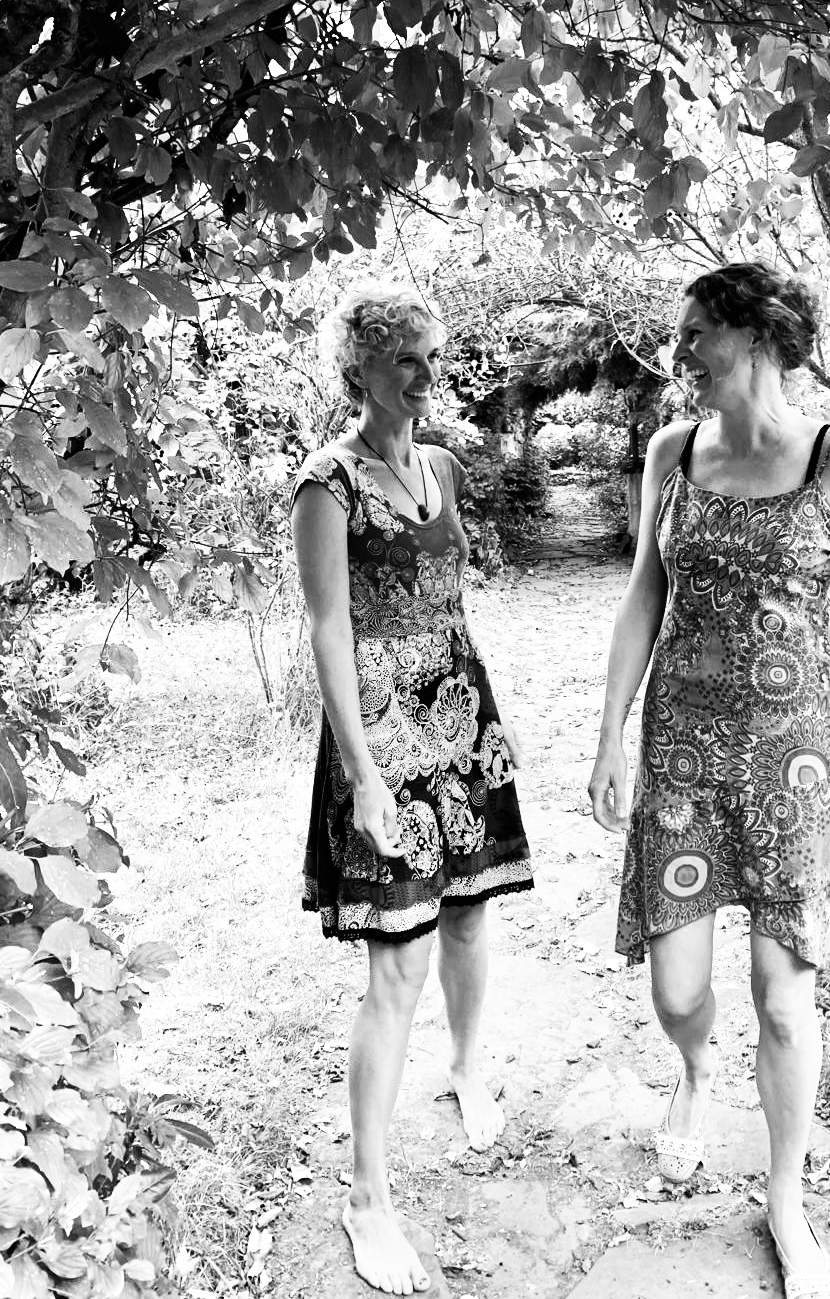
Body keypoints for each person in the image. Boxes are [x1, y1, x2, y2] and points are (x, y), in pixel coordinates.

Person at [589, 262, 830, 1299]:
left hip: (796, 762)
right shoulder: (671, 451)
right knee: (677, 988)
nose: (682, 351)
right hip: (683, 752)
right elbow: (644, 595)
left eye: (699, 333)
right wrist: (610, 734)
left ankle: (785, 1200)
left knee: (785, 1002)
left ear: (759, 337)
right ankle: (696, 1070)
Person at [291, 281, 533, 1297]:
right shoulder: (327, 483)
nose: (426, 376)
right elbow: (329, 629)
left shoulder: (440, 465)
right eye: (405, 359)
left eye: (433, 356)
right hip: (383, 731)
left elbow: (452, 596)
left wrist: (482, 717)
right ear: (359, 369)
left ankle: (468, 1069)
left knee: (472, 914)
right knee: (397, 961)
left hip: (460, 714)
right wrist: (361, 774)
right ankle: (367, 1197)